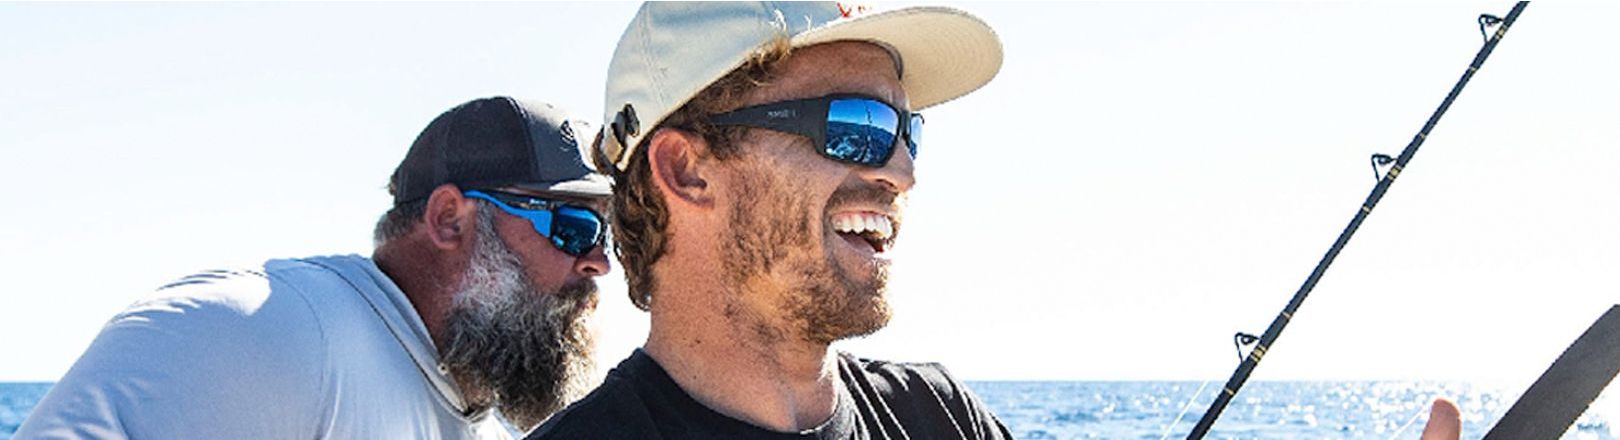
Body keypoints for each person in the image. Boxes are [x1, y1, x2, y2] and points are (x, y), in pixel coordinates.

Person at [528, 3, 1011, 438]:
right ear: (685, 170)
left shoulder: (941, 418)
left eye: (909, 133)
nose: (902, 173)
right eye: (857, 127)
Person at [17, 97, 612, 439]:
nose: (598, 261)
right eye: (573, 225)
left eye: (607, 231)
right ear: (449, 219)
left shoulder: (472, 415)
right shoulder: (266, 331)